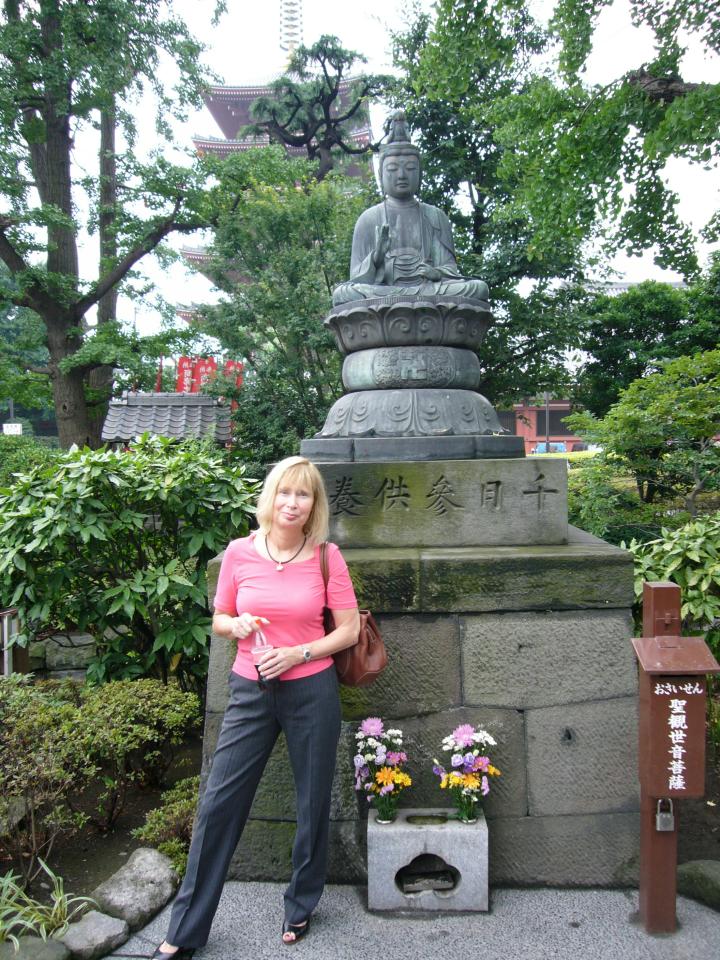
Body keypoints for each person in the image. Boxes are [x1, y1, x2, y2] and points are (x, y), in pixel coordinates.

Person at [153, 455, 360, 957]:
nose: (293, 503)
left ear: (315, 505)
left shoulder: (327, 556)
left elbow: (349, 629)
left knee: (312, 802)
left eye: (304, 494)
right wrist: (237, 626)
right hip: (250, 689)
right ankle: (183, 932)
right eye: (285, 492)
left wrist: (298, 652)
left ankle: (301, 903)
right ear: (269, 496)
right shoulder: (239, 553)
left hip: (312, 689)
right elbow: (220, 618)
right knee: (219, 804)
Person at [332, 110, 489, 305]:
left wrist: (436, 273)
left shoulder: (435, 216)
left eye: (410, 168)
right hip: (384, 291)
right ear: (381, 175)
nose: (401, 175)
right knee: (344, 294)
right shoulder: (368, 219)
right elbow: (356, 276)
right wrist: (377, 256)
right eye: (393, 169)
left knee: (477, 289)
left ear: (420, 174)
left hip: (429, 290)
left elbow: (450, 270)